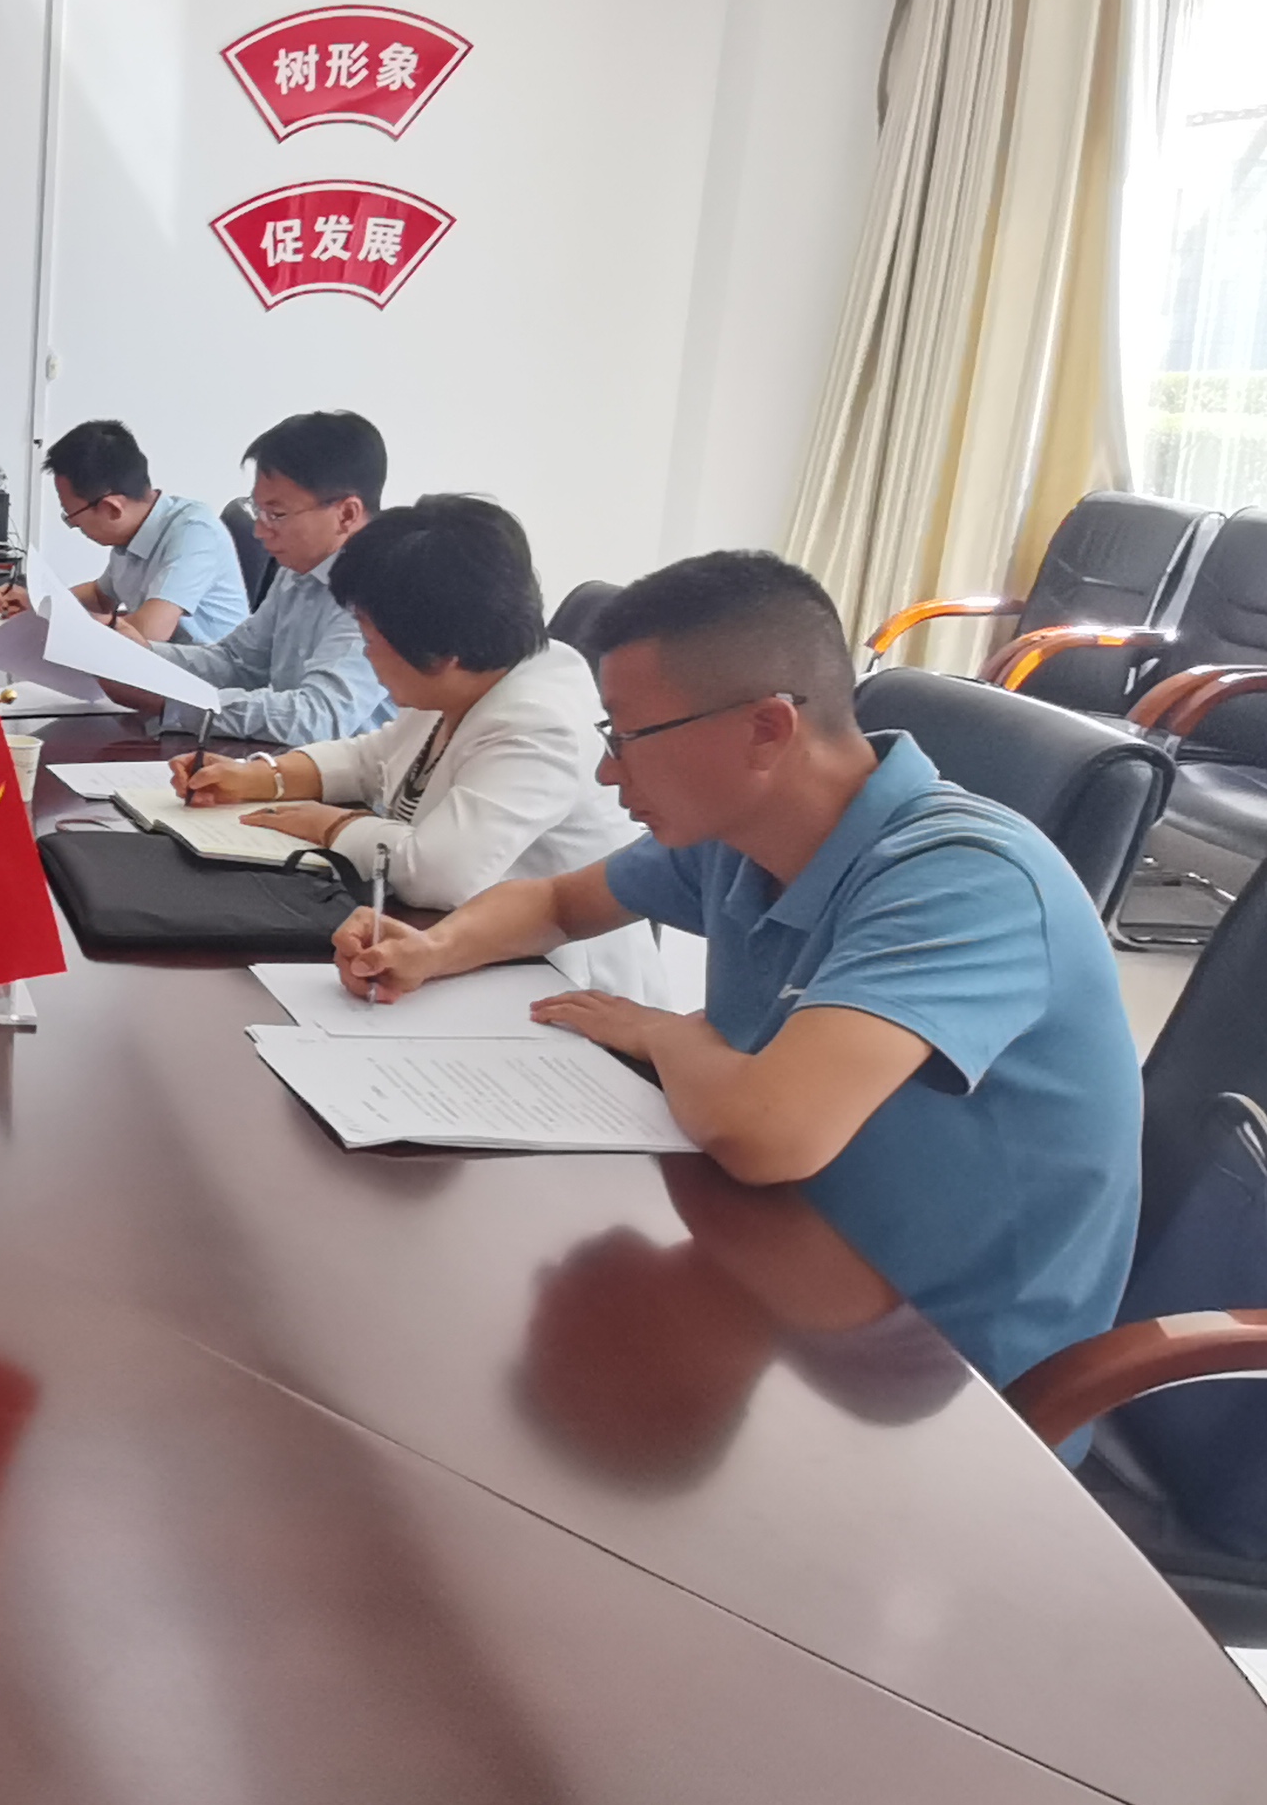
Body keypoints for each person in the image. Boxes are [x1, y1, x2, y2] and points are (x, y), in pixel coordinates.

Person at [334, 549, 1140, 1404]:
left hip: (941, 1378)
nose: (608, 771)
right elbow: (558, 903)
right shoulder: (742, 835)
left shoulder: (966, 882)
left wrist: (662, 1032)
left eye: (627, 737)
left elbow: (767, 1133)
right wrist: (432, 949)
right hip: (779, 1254)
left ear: (766, 730)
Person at [172, 495, 656, 997]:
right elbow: (373, 757)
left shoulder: (540, 722)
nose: (366, 653)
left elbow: (437, 874)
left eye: (370, 638)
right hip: (461, 945)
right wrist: (262, 777)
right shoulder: (470, 672)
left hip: (557, 982)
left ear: (441, 652)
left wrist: (328, 824)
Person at [116, 409, 390, 744]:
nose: (260, 531)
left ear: (347, 513)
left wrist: (171, 703)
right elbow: (237, 662)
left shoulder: (380, 589)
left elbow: (317, 718)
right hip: (290, 762)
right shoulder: (297, 571)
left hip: (363, 777)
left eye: (276, 514)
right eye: (257, 510)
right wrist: (140, 655)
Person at [0, 418, 247, 645]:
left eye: (72, 517)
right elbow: (100, 596)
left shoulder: (194, 533)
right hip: (164, 666)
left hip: (210, 677)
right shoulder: (132, 533)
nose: (75, 526)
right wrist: (39, 603)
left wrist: (56, 622)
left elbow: (147, 633)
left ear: (112, 509)